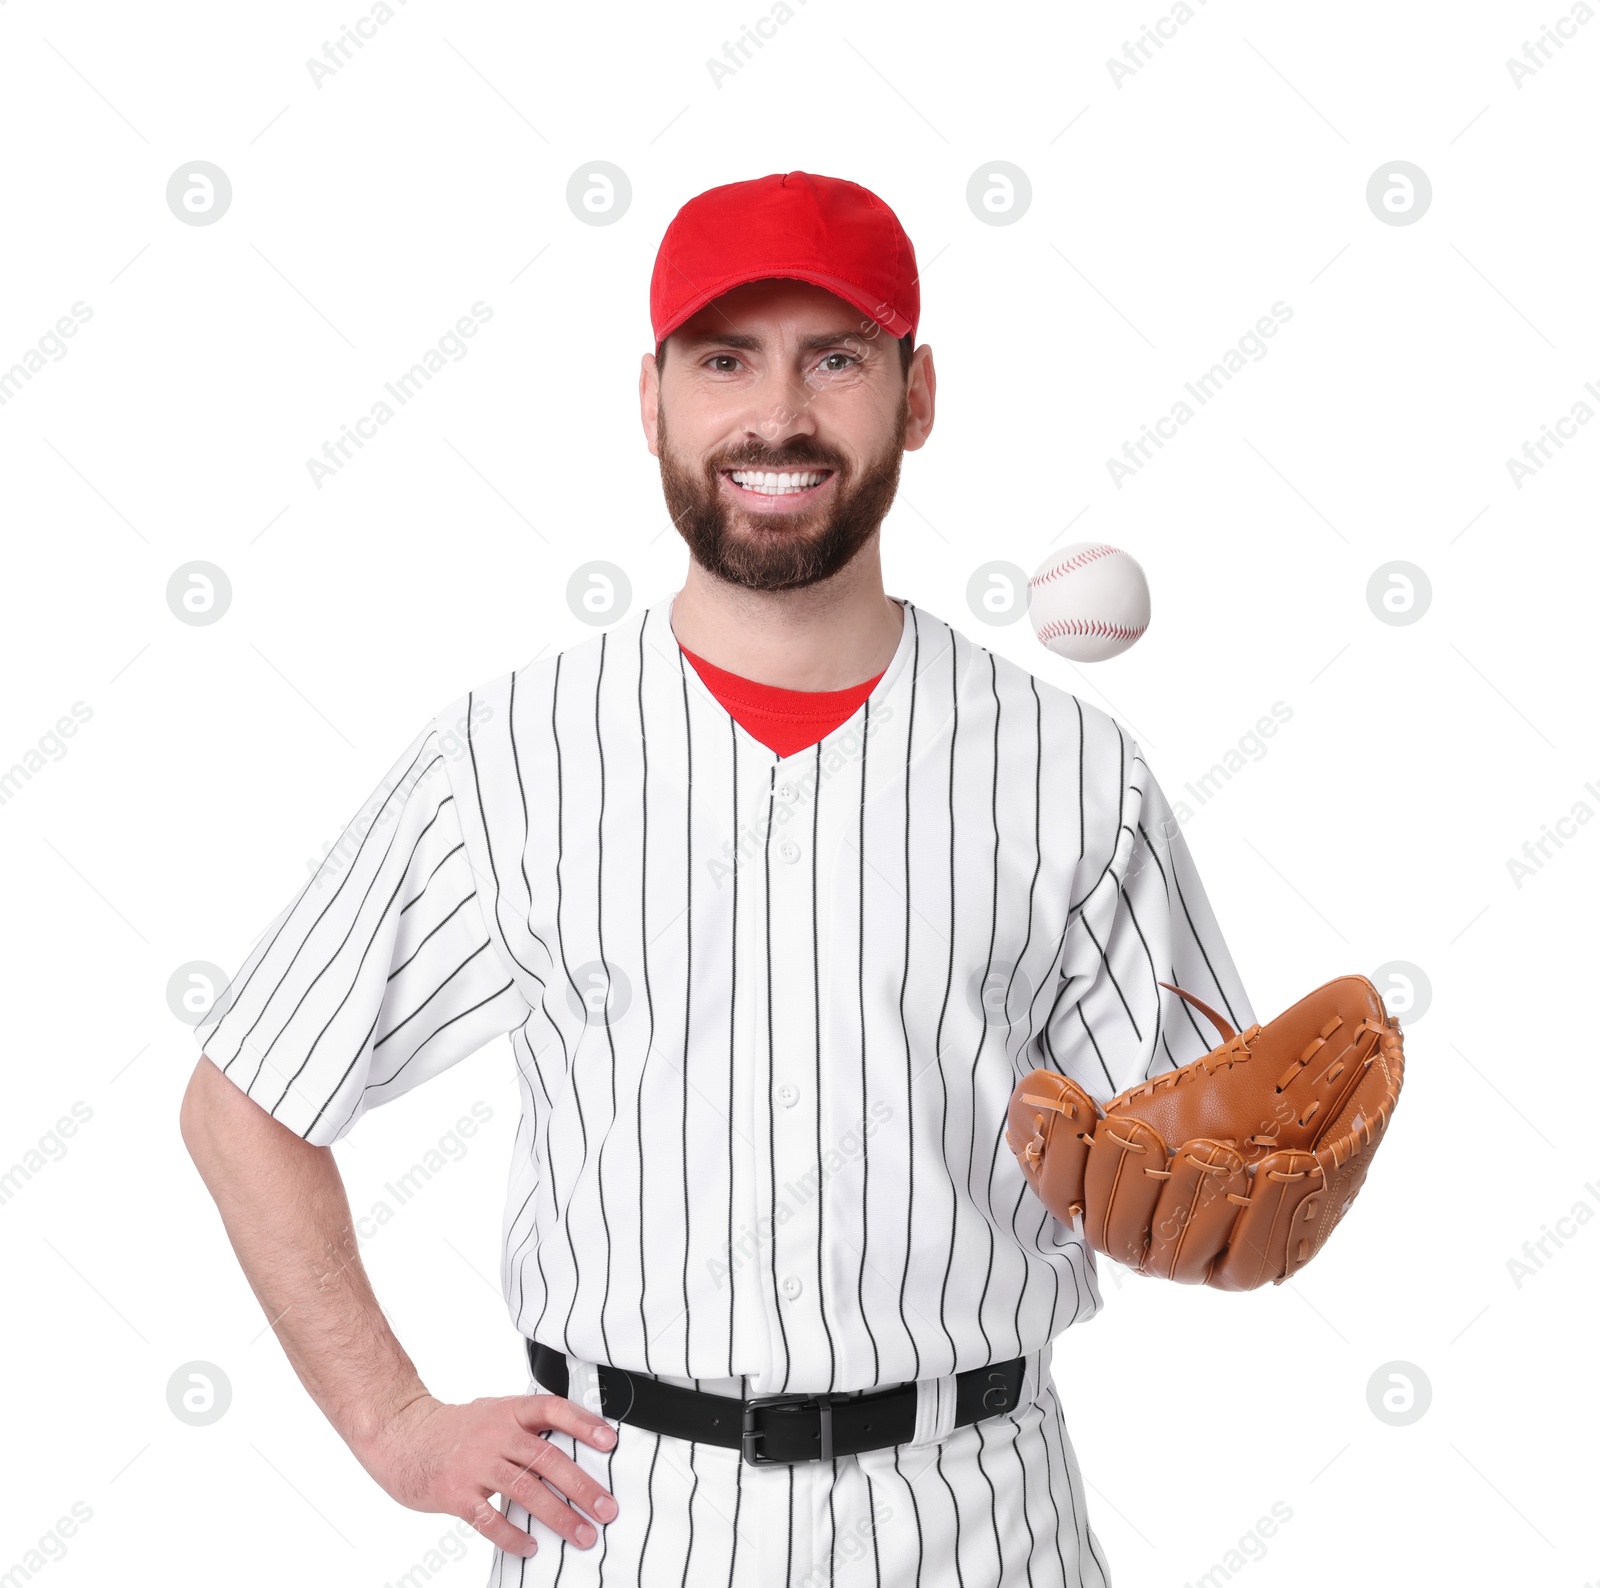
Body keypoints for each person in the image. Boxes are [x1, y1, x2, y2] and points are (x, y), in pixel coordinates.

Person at [181, 170, 1254, 1587]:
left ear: (917, 398)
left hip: (978, 1521)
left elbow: (1206, 1158)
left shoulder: (1071, 768)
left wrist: (1235, 1188)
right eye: (725, 359)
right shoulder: (513, 755)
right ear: (653, 401)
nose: (778, 415)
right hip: (629, 1522)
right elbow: (244, 1100)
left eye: (838, 358)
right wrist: (397, 1429)